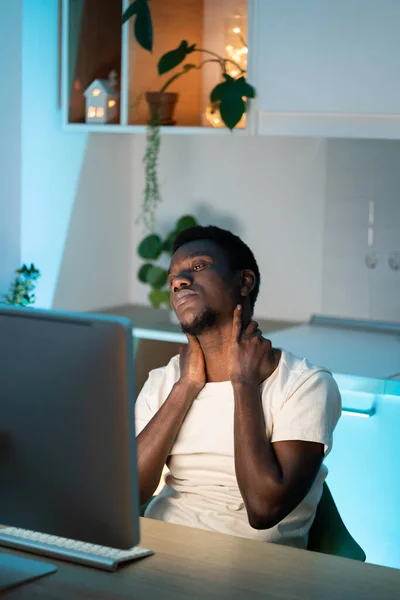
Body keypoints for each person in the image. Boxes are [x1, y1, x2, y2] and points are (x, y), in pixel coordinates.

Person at [135, 225, 341, 548]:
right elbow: (129, 493)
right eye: (173, 278)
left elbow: (263, 509)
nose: (178, 281)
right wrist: (186, 386)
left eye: (198, 266)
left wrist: (243, 383)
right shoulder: (163, 382)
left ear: (244, 282)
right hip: (157, 553)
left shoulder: (305, 385)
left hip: (249, 573)